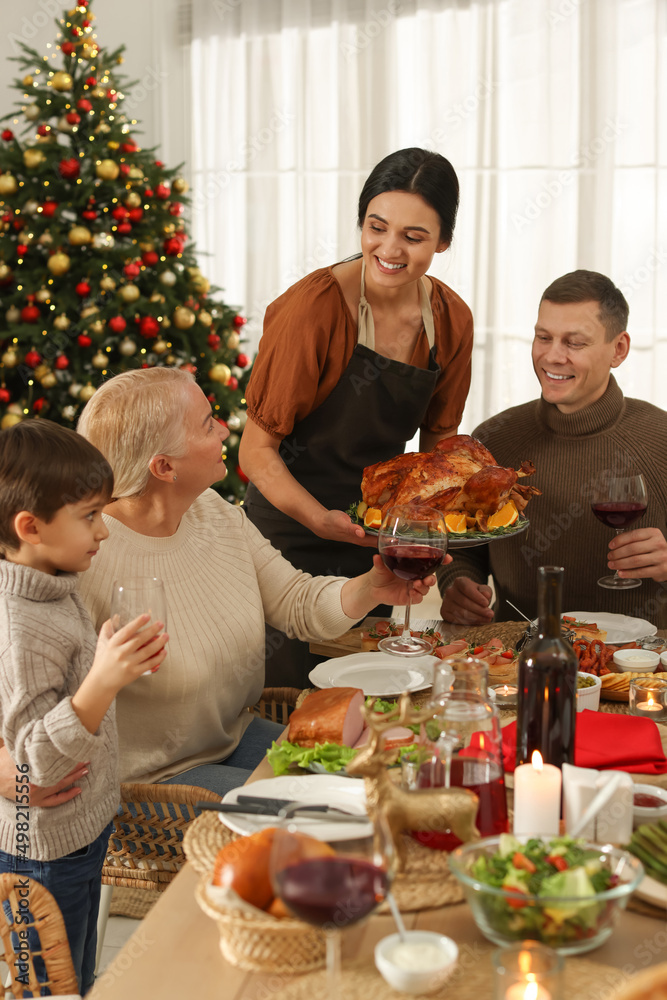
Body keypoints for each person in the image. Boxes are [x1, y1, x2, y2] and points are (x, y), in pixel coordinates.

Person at [71, 367, 444, 796]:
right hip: (157, 780)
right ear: (164, 467)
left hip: (237, 738)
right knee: (336, 804)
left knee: (394, 771)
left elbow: (297, 602)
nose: (225, 428)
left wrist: (370, 587)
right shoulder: (89, 555)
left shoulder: (213, 512)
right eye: (207, 423)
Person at [240, 147, 474, 686]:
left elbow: (440, 442)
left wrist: (421, 525)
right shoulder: (314, 310)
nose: (389, 249)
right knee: (288, 705)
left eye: (414, 238)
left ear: (443, 242)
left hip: (372, 542)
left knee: (365, 696)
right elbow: (256, 451)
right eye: (376, 227)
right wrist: (319, 519)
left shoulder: (450, 319)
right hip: (286, 541)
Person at [0, 421, 167, 995]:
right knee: (49, 987)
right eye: (91, 516)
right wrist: (100, 681)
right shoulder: (18, 624)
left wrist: (104, 659)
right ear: (32, 527)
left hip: (81, 831)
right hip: (41, 852)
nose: (105, 531)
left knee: (79, 973)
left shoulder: (53, 581)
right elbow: (36, 764)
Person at [438, 270, 667, 628]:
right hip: (519, 660)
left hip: (640, 667)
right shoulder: (493, 441)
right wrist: (458, 586)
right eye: (543, 337)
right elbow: (463, 548)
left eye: (574, 343)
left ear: (618, 349)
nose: (552, 356)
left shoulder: (661, 437)